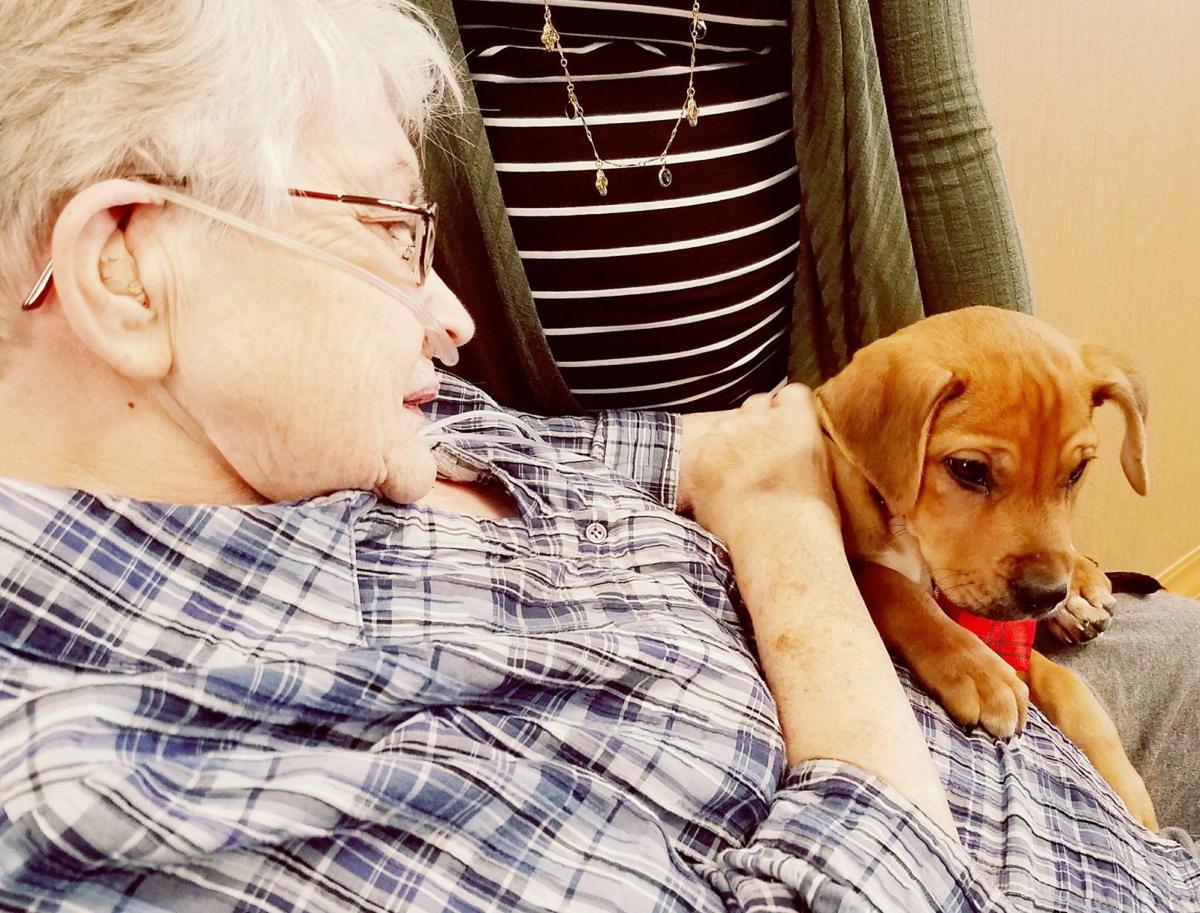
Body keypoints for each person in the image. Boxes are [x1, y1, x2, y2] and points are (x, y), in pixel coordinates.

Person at [0, 2, 1197, 912]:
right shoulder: (127, 764)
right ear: (123, 265)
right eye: (388, 230)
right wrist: (789, 549)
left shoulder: (338, 435)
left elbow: (686, 442)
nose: (454, 318)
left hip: (1023, 734)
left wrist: (823, 458)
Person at [418, 0, 1200, 836]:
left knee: (1183, 651)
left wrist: (1028, 452)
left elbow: (941, 126)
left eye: (1071, 472)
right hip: (544, 464)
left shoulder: (919, 434)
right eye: (977, 470)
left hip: (779, 426)